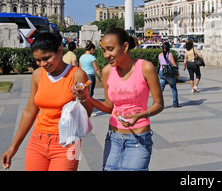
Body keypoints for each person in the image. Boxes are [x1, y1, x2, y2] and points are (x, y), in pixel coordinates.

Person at [1, 32, 92, 171]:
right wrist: (14, 147)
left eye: (46, 58)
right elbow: (30, 111)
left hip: (68, 142)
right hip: (37, 140)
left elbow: (88, 113)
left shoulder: (77, 74)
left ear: (60, 51)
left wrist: (82, 97)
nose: (42, 64)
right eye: (38, 60)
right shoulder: (38, 75)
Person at [85, 27, 164, 171]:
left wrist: (140, 115)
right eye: (103, 50)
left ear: (125, 47)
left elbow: (159, 104)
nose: (106, 55)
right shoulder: (107, 71)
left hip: (139, 139)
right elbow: (109, 107)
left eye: (110, 49)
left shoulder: (145, 67)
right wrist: (87, 98)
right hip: (113, 138)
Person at [159, 42, 180, 108]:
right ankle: (175, 103)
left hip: (161, 72)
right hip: (169, 73)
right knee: (173, 88)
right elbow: (174, 64)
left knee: (160, 89)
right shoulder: (169, 54)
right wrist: (177, 73)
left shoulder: (160, 55)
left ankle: (156, 103)